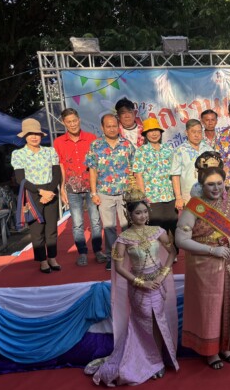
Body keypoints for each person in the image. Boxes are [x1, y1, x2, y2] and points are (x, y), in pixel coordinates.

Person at [86, 189, 179, 386]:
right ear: (129, 214)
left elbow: (172, 252)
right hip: (138, 288)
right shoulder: (123, 239)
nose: (142, 216)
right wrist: (141, 283)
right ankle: (150, 360)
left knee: (158, 321)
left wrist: (162, 275)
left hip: (157, 285)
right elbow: (119, 268)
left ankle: (159, 359)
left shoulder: (158, 231)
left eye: (145, 212)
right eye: (138, 213)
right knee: (144, 323)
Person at [176, 152, 230, 369]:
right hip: (205, 265)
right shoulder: (195, 207)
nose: (216, 188)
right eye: (210, 184)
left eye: (219, 183)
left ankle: (227, 346)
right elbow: (181, 239)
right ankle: (210, 351)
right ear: (201, 185)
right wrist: (211, 250)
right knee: (210, 306)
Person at [54, 108, 105, 267]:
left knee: (95, 221)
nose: (73, 124)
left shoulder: (91, 138)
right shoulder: (58, 142)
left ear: (79, 120)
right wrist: (62, 189)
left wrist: (98, 188)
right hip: (71, 188)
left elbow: (97, 164)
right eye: (69, 122)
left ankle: (98, 251)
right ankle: (82, 253)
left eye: (74, 121)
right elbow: (61, 166)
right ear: (64, 123)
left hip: (91, 187)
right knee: (77, 223)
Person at [86, 114, 135, 270]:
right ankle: (113, 257)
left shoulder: (127, 145)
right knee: (109, 227)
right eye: (108, 126)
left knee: (127, 226)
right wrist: (94, 193)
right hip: (104, 192)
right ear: (102, 127)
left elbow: (135, 169)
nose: (112, 129)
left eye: (114, 126)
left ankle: (128, 255)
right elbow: (92, 170)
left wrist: (136, 190)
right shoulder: (95, 146)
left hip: (125, 193)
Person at [12, 118, 61, 273]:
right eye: (30, 133)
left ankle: (52, 257)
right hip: (32, 193)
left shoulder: (50, 151)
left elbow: (57, 174)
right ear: (25, 136)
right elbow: (20, 179)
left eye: (37, 133)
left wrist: (49, 192)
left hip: (51, 191)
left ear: (41, 135)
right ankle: (42, 260)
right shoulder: (18, 154)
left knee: (51, 228)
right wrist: (41, 192)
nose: (34, 137)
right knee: (37, 230)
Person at [133, 117, 177, 239]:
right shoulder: (141, 151)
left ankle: (174, 250)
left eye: (156, 130)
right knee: (156, 229)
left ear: (161, 132)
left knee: (174, 226)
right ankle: (158, 250)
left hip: (169, 196)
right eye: (150, 131)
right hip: (152, 198)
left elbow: (175, 173)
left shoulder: (168, 149)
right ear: (145, 134)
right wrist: (143, 197)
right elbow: (138, 175)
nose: (154, 134)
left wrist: (178, 195)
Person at [170, 119, 213, 210]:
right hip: (188, 197)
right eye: (193, 132)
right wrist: (178, 197)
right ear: (186, 132)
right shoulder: (180, 151)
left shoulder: (209, 149)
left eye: (199, 132)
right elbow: (175, 175)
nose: (197, 135)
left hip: (208, 195)